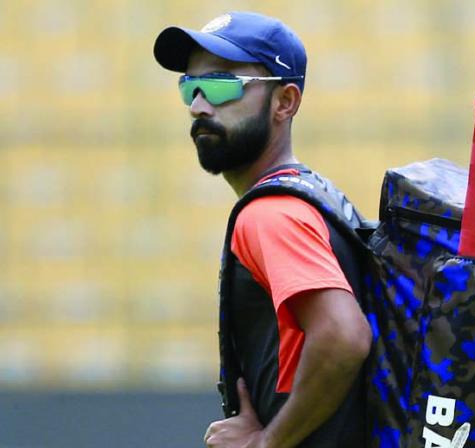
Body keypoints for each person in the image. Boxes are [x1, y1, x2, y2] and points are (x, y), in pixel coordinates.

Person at [153, 12, 372, 448]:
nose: (198, 105)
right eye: (189, 87)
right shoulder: (315, 195)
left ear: (284, 102)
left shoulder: (271, 213)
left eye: (221, 84)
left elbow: (344, 336)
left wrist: (267, 443)